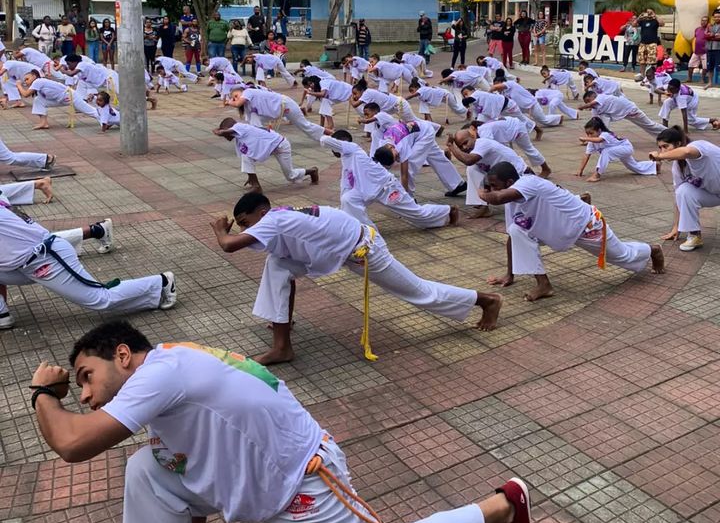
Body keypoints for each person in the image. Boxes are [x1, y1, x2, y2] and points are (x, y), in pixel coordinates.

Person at [27, 319, 533, 523]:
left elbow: (73, 444)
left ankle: (502, 506)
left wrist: (44, 393)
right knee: (147, 470)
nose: (86, 395)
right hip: (250, 473)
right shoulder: (168, 362)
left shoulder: (161, 372)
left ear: (121, 355)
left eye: (86, 376)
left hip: (301, 482)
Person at [212, 192, 502, 364]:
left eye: (247, 223)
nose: (245, 229)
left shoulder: (275, 218)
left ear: (261, 212)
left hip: (366, 250)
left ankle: (486, 300)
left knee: (419, 292)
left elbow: (228, 245)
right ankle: (281, 345)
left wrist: (220, 229)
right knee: (277, 266)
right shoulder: (276, 216)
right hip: (337, 250)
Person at [483, 161, 664, 301]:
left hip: (585, 226)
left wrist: (482, 192)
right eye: (489, 187)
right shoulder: (511, 201)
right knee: (516, 230)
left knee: (622, 256)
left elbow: (496, 198)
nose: (491, 190)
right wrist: (509, 274)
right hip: (554, 229)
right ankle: (544, 285)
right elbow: (513, 239)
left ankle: (653, 250)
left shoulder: (528, 183)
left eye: (494, 185)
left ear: (509, 182)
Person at [0, 200, 176, 328]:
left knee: (101, 300)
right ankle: (2, 315)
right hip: (24, 263)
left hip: (46, 258)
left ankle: (161, 283)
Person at [321, 129, 459, 230]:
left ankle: (448, 211)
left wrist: (327, 132)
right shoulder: (347, 158)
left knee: (417, 215)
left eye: (335, 147)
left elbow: (324, 140)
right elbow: (345, 186)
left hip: (387, 188)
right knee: (348, 199)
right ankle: (367, 232)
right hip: (366, 191)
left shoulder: (353, 148)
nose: (333, 151)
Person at [650, 125, 720, 252]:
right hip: (714, 193)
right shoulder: (678, 166)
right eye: (660, 148)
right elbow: (679, 197)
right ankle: (694, 235)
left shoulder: (699, 146)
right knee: (683, 191)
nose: (662, 151)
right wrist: (676, 226)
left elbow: (686, 152)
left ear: (678, 143)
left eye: (665, 146)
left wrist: (659, 157)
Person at [445, 124, 529, 219]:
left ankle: (486, 199)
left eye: (465, 142)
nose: (464, 147)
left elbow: (468, 160)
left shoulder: (483, 143)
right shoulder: (472, 149)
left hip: (519, 173)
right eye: (460, 146)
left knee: (521, 206)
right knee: (472, 169)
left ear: (473, 137)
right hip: (499, 174)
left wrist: (451, 146)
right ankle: (481, 205)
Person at [214, 118, 318, 193]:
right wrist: (251, 175)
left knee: (291, 176)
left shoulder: (240, 127)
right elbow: (247, 158)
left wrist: (220, 132)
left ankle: (313, 171)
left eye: (226, 134)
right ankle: (256, 185)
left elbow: (227, 131)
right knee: (246, 157)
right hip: (270, 147)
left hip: (280, 145)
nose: (225, 137)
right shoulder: (239, 137)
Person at [372, 118, 467, 198]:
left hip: (425, 133)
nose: (398, 157)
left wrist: (406, 197)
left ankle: (410, 196)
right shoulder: (382, 144)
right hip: (421, 131)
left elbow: (405, 174)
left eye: (396, 156)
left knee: (410, 164)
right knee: (436, 157)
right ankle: (458, 184)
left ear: (391, 147)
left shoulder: (401, 145)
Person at [575, 117, 658, 182]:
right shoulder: (591, 142)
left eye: (591, 133)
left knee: (606, 152)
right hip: (619, 150)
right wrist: (580, 170)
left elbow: (599, 140)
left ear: (599, 130)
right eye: (587, 134)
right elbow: (586, 155)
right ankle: (655, 165)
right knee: (634, 167)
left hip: (626, 147)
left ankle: (597, 175)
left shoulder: (605, 134)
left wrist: (585, 138)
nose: (589, 136)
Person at [230, 86, 325, 142]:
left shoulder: (247, 92)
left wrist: (229, 102)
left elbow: (237, 103)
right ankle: (261, 139)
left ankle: (330, 134)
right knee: (254, 121)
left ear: (241, 91)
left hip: (286, 105)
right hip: (277, 110)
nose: (236, 98)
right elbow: (242, 108)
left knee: (305, 126)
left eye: (236, 95)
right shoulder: (248, 103)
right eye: (234, 98)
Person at [18, 71, 101, 129]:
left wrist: (18, 85)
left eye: (27, 79)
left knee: (90, 111)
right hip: (60, 99)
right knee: (38, 100)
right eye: (25, 80)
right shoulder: (38, 85)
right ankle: (44, 123)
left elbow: (25, 94)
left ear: (34, 76)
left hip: (71, 96)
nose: (26, 82)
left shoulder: (38, 81)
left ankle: (107, 119)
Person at [477, 117, 551, 177]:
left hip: (517, 129)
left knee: (529, 149)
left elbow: (490, 145)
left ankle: (546, 169)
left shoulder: (483, 130)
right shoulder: (483, 128)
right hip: (510, 128)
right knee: (508, 154)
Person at [579, 89, 666, 136]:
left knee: (648, 125)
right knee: (601, 119)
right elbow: (594, 121)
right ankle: (605, 135)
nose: (588, 103)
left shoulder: (601, 97)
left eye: (588, 100)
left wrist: (583, 107)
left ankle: (669, 132)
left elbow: (592, 103)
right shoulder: (595, 108)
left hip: (631, 110)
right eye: (586, 102)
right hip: (622, 113)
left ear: (593, 96)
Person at [491, 73, 562, 128]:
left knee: (543, 120)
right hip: (520, 108)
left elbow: (494, 87)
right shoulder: (502, 92)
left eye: (497, 85)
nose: (497, 88)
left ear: (502, 82)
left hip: (531, 105)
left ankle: (558, 118)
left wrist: (489, 91)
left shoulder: (510, 84)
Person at [687, 16, 709, 84]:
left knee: (704, 66)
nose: (703, 22)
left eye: (705, 20)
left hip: (705, 51)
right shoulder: (697, 29)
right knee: (690, 64)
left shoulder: (709, 29)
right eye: (702, 20)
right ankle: (689, 79)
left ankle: (702, 80)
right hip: (696, 51)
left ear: (708, 22)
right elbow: (696, 39)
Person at [705, 8, 720, 88]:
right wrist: (714, 36)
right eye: (715, 17)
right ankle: (710, 83)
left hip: (718, 49)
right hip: (710, 49)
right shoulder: (710, 26)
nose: (717, 18)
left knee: (719, 67)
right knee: (710, 67)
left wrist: (711, 36)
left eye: (718, 17)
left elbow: (718, 37)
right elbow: (706, 36)